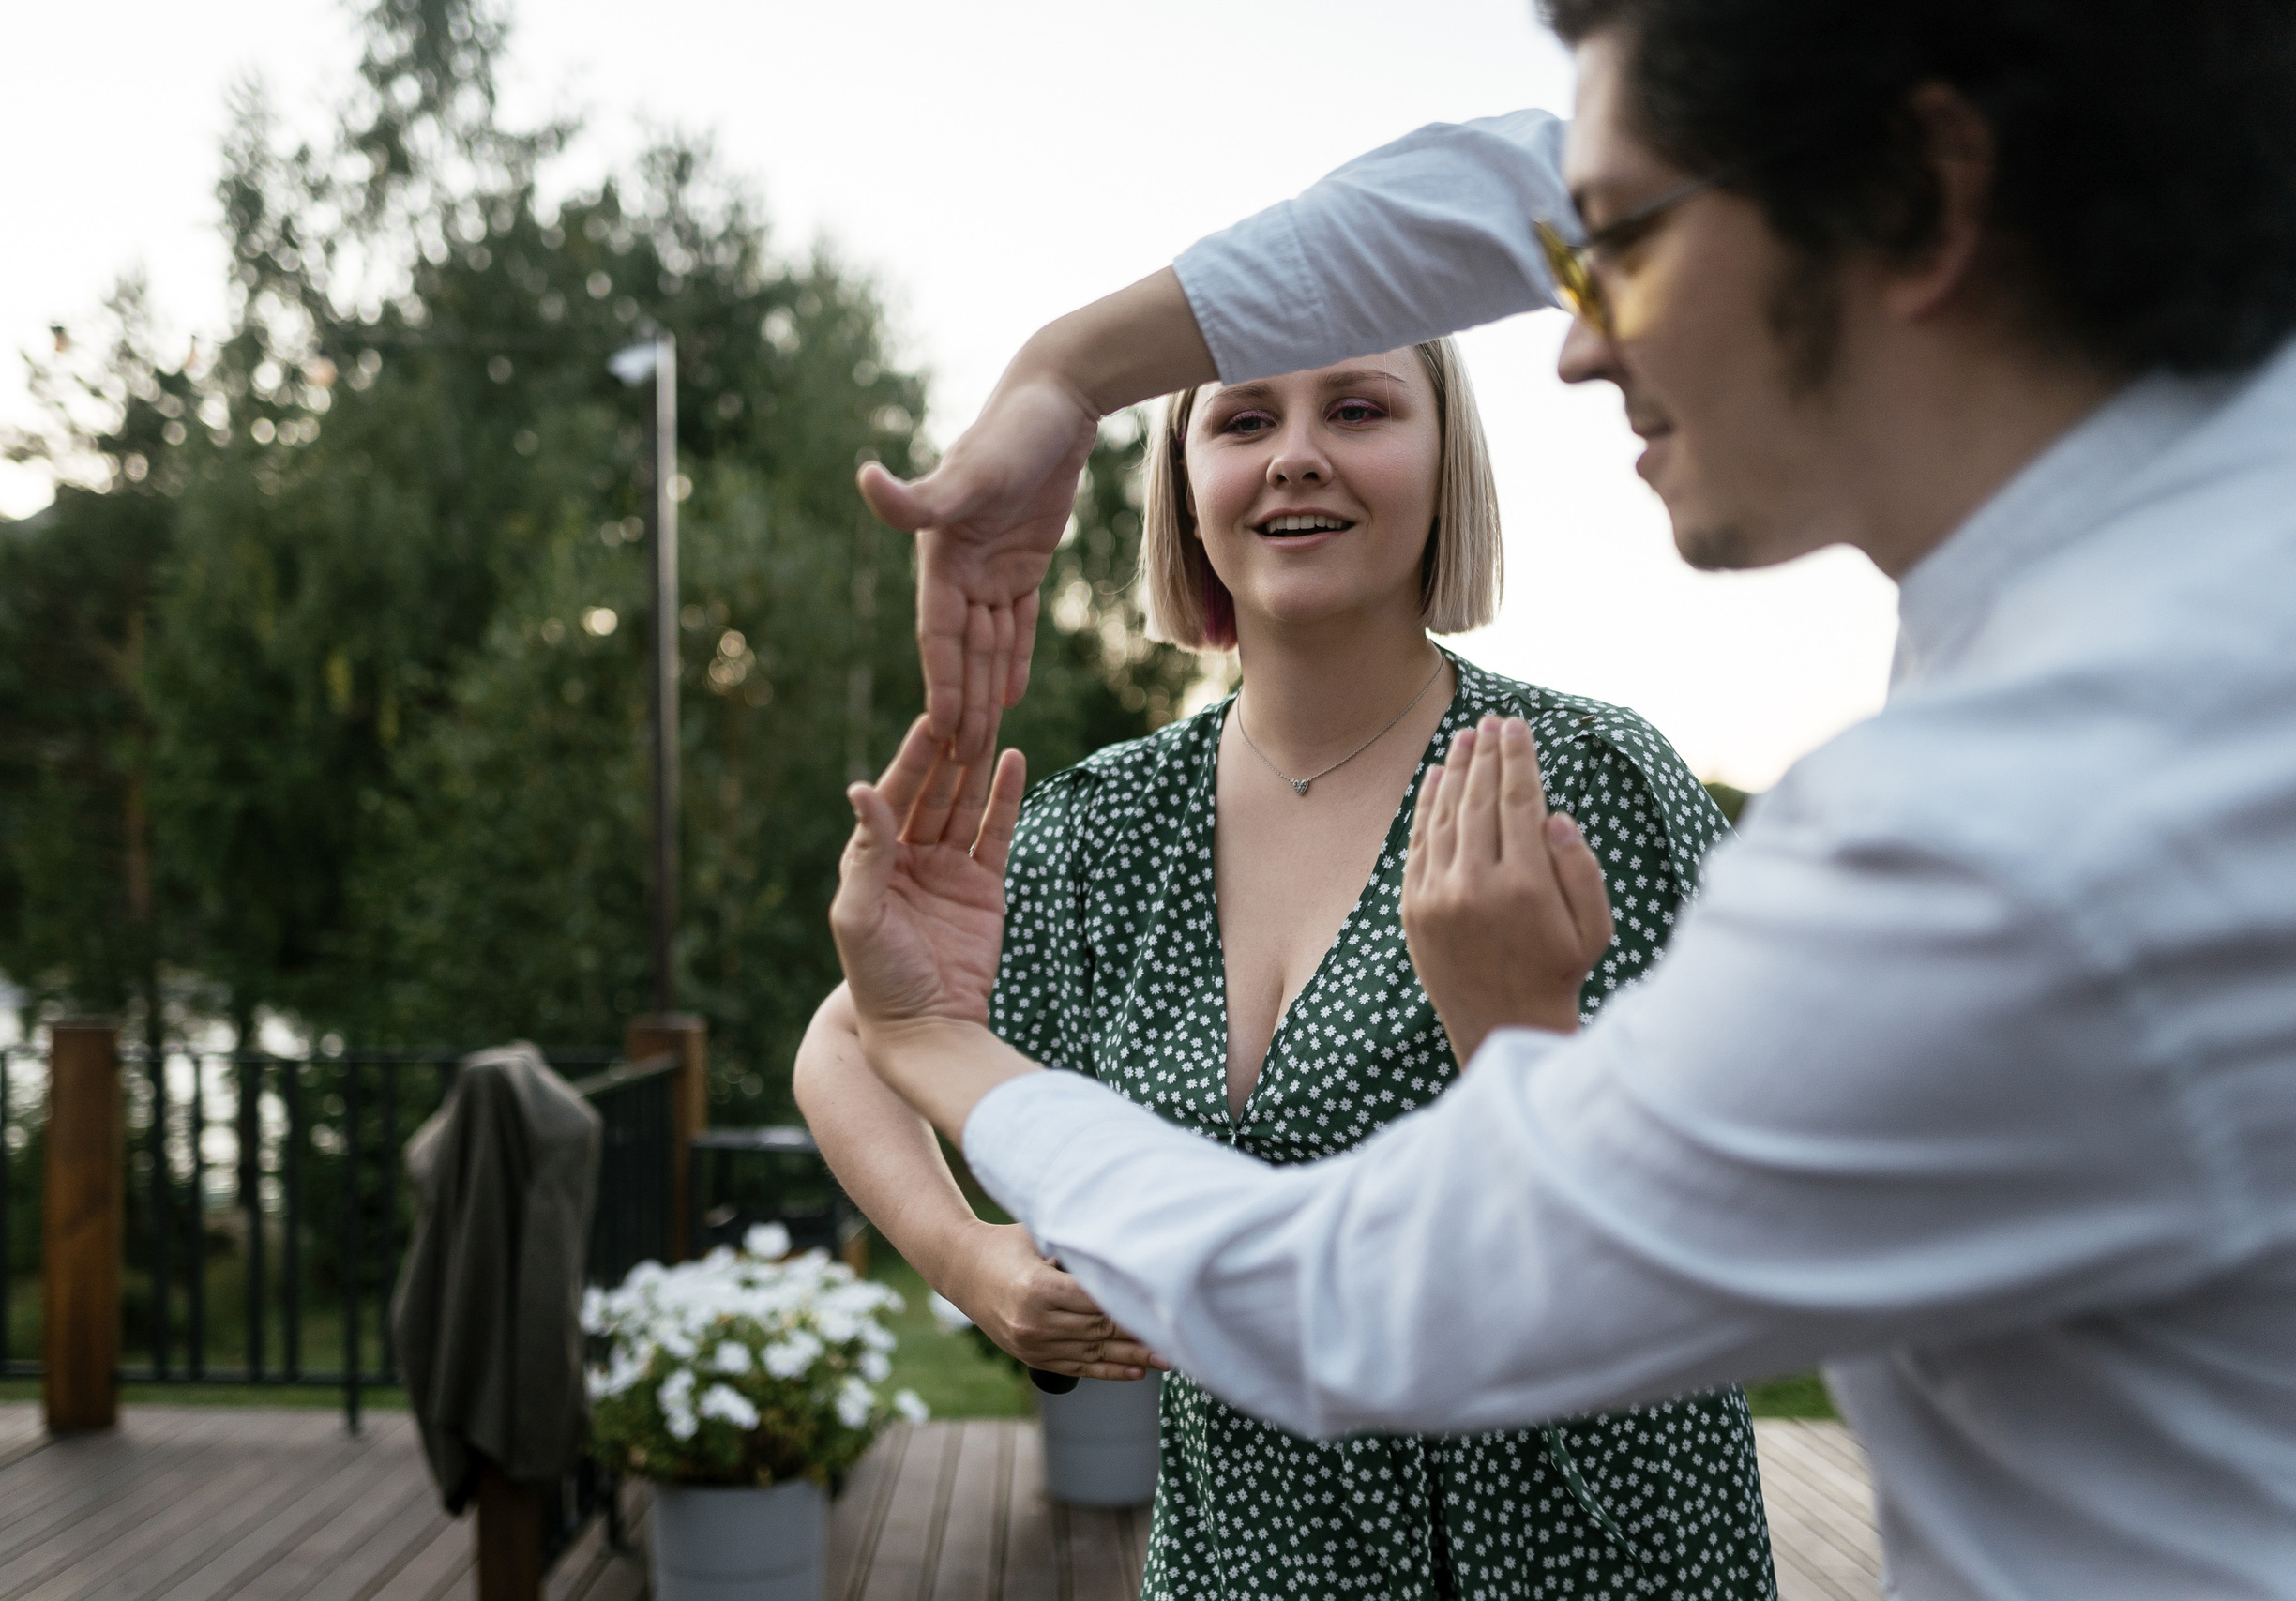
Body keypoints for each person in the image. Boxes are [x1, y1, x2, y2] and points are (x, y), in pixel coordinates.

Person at [830, 3, 2296, 1598]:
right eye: (1244, 417)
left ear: (1924, 196)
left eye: (1617, 256)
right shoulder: (2199, 568)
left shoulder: (2009, 825)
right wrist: (1073, 370)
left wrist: (949, 1055)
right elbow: (1490, 194)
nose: (1580, 339)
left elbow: (1369, 1302)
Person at [798, 339, 1776, 1598]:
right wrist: (972, 1263)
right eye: (1243, 420)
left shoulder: (1590, 780)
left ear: (1444, 461)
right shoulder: (1107, 827)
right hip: (1248, 1559)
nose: (1296, 453)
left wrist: (1516, 1043)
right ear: (1186, 483)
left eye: (1359, 408)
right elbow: (854, 1040)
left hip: (1587, 1553)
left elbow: (1738, 1203)